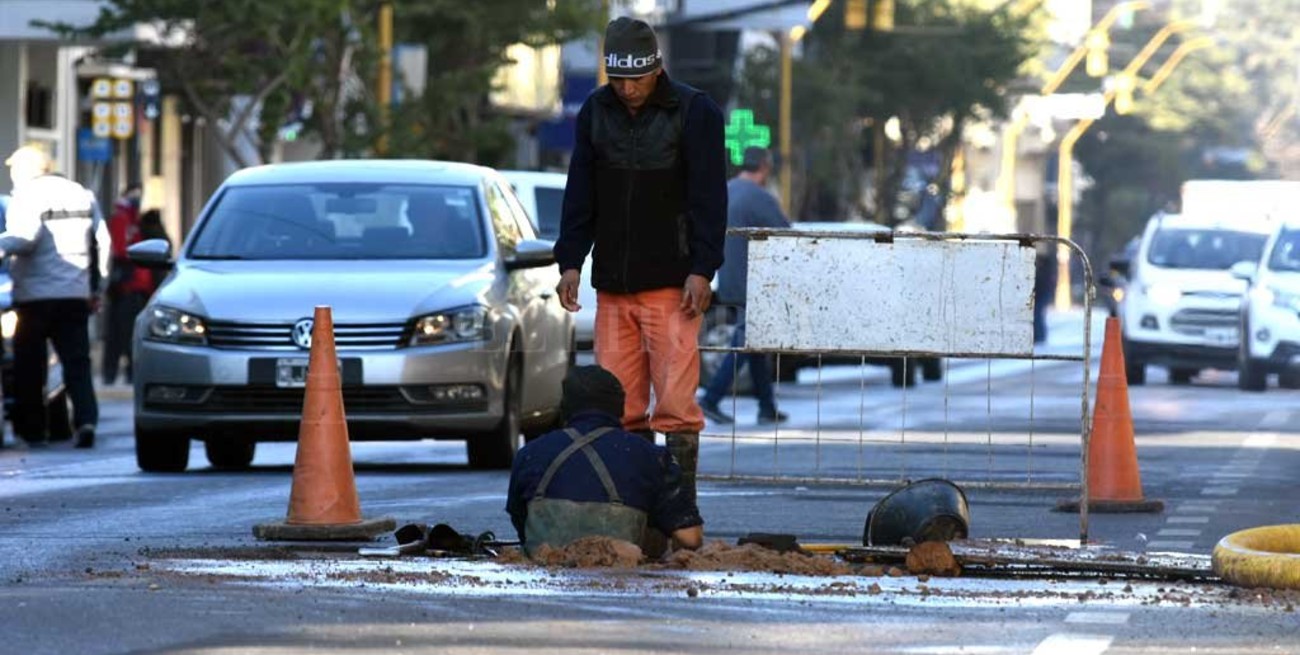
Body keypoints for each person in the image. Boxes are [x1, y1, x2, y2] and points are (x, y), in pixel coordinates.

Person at [553, 17, 728, 500]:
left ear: (657, 68)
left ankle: (679, 516)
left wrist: (702, 269)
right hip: (613, 287)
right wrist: (570, 261)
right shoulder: (594, 111)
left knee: (675, 407)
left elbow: (710, 200)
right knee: (618, 407)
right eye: (620, 79)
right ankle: (630, 512)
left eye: (638, 78)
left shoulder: (696, 112)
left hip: (673, 288)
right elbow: (580, 194)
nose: (629, 89)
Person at [506, 365, 704, 556]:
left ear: (565, 407)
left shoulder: (530, 453)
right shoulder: (652, 457)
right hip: (622, 567)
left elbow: (521, 524)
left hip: (546, 561)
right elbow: (690, 538)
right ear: (620, 408)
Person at [0, 144, 110, 448]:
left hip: (35, 297)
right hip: (75, 294)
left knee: (29, 366)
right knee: (77, 363)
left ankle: (34, 429)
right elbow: (102, 241)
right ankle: (86, 420)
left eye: (13, 171)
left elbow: (25, 238)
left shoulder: (26, 196)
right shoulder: (81, 193)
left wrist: (2, 245)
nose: (12, 178)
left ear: (25, 170)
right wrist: (96, 286)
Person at [699, 147, 790, 425]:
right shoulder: (760, 198)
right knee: (747, 340)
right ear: (765, 165)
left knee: (754, 341)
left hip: (728, 277)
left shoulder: (725, 190)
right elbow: (788, 234)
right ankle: (710, 399)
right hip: (754, 282)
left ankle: (766, 406)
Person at [102, 184, 154, 385]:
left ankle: (118, 372)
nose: (137, 199)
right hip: (127, 286)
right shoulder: (122, 218)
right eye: (135, 195)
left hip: (134, 285)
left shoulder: (131, 218)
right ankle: (117, 372)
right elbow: (121, 250)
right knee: (122, 332)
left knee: (123, 332)